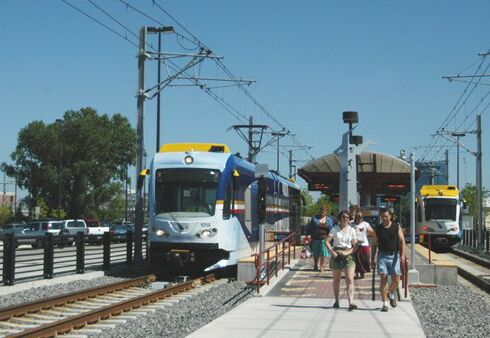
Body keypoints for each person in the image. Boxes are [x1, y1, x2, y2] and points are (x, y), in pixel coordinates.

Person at [371, 208, 406, 312]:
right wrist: (372, 259)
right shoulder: (377, 228)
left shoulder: (396, 226)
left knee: (396, 279)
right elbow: (373, 245)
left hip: (394, 255)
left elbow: (402, 241)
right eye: (382, 217)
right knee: (384, 277)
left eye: (386, 216)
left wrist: (402, 255)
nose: (384, 218)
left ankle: (391, 293)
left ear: (390, 216)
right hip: (382, 256)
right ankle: (385, 303)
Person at [325, 209, 358, 311]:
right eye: (343, 217)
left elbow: (356, 245)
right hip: (337, 254)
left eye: (347, 217)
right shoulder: (335, 229)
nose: (345, 219)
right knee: (336, 280)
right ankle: (337, 301)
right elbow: (326, 242)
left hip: (348, 254)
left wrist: (347, 252)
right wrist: (332, 252)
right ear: (340, 218)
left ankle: (351, 302)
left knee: (349, 279)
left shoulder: (352, 230)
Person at [307, 207, 332, 272]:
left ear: (326, 212)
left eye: (324, 211)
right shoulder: (314, 218)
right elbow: (310, 227)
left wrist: (330, 238)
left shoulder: (329, 219)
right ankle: (315, 265)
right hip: (315, 238)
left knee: (323, 253)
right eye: (321, 211)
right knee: (316, 253)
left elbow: (331, 229)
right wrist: (308, 235)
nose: (322, 212)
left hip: (324, 239)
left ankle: (321, 266)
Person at [351, 211, 374, 279]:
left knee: (364, 259)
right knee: (355, 259)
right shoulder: (351, 223)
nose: (359, 218)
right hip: (355, 244)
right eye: (357, 217)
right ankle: (357, 273)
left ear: (362, 218)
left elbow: (371, 231)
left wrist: (367, 231)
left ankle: (363, 272)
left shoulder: (365, 224)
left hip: (364, 244)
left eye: (360, 217)